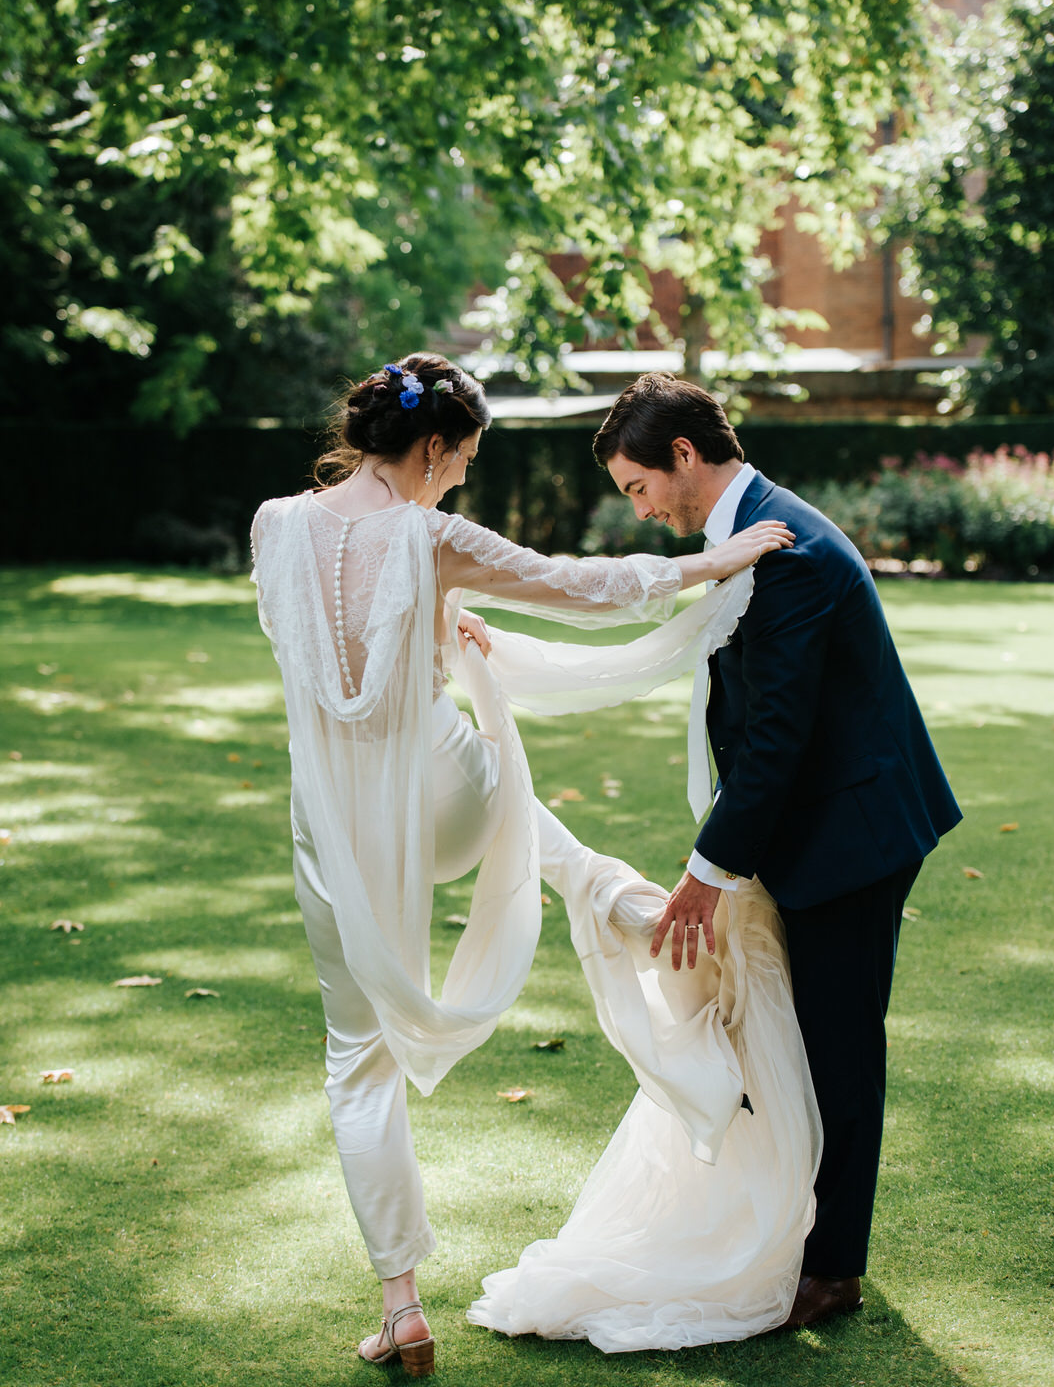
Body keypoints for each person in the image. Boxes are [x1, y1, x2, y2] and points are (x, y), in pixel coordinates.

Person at [250, 353, 794, 1374]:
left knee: (355, 1060)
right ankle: (610, 893)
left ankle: (401, 1303)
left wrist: (433, 625)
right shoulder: (432, 534)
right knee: (496, 749)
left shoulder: (277, 529)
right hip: (451, 804)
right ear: (430, 448)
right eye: (460, 460)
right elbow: (574, 585)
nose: (458, 479)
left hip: (338, 830)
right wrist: (705, 566)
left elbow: (315, 659)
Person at [591, 371, 962, 1330]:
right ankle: (794, 1228)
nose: (639, 510)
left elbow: (779, 734)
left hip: (854, 829)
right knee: (789, 1037)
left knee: (839, 1047)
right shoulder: (745, 534)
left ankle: (833, 1269)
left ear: (683, 457)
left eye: (638, 487)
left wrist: (707, 872)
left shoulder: (785, 552)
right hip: (815, 820)